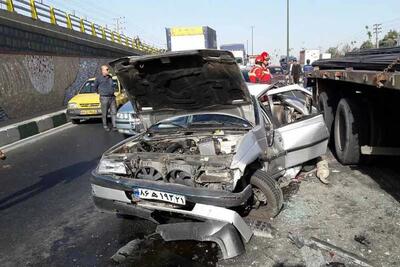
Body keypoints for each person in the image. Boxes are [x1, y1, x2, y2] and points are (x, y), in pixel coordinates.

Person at [94, 65, 117, 131]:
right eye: (107, 69)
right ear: (102, 71)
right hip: (104, 98)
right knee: (105, 113)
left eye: (108, 69)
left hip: (112, 97)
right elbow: (95, 87)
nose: (108, 70)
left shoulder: (110, 77)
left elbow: (112, 85)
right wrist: (100, 93)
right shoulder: (98, 78)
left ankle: (114, 126)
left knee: (114, 112)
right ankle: (105, 125)